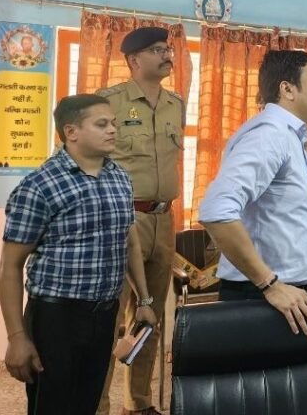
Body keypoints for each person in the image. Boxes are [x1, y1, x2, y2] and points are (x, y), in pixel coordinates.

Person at [0, 94, 154, 415]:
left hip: (104, 314)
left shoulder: (119, 179)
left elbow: (129, 244)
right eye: (102, 124)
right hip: (56, 317)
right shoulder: (39, 186)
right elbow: (10, 267)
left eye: (114, 123)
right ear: (71, 132)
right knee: (53, 405)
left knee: (87, 402)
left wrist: (144, 300)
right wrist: (16, 337)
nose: (113, 130)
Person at [199, 50, 307, 337]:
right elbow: (216, 210)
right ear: (287, 89)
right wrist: (269, 284)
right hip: (264, 297)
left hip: (289, 294)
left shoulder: (291, 137)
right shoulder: (270, 135)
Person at [96, 26, 185, 415]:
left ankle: (139, 403)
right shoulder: (108, 102)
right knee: (108, 317)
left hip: (163, 220)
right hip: (123, 219)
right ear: (133, 60)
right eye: (157, 50)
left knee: (150, 316)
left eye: (168, 48)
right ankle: (98, 405)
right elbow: (83, 159)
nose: (167, 55)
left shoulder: (175, 104)